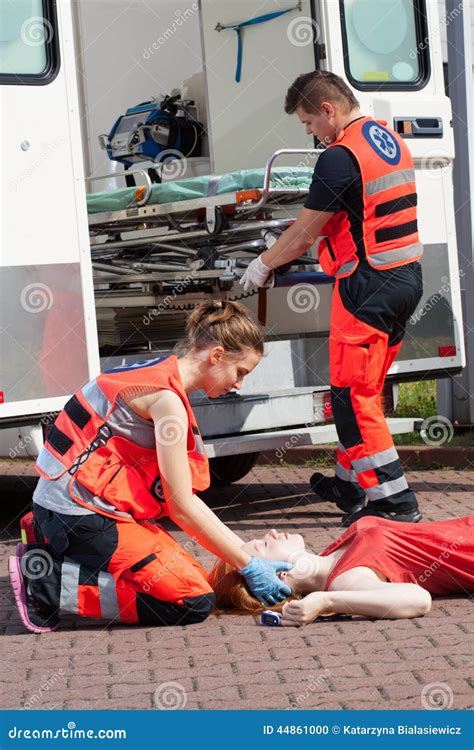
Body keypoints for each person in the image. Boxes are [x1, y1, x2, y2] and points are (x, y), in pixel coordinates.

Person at [9, 300, 293, 634]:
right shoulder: (167, 401)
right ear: (216, 356)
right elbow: (181, 505)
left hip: (67, 507)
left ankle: (48, 540)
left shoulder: (157, 372)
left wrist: (245, 557)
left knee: (193, 577)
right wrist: (248, 563)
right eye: (240, 372)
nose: (238, 384)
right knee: (192, 599)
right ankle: (48, 583)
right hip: (78, 516)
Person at [240, 71, 424, 527]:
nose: (309, 133)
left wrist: (265, 263)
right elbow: (358, 212)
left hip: (367, 288)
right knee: (367, 390)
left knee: (350, 397)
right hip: (406, 277)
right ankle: (349, 483)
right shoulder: (387, 139)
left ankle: (393, 502)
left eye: (308, 123)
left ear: (328, 110)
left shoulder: (339, 158)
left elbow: (304, 234)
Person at [208, 516, 473, 626]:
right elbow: (418, 600)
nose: (273, 532)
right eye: (266, 544)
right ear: (278, 576)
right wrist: (325, 601)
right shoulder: (345, 580)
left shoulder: (329, 557)